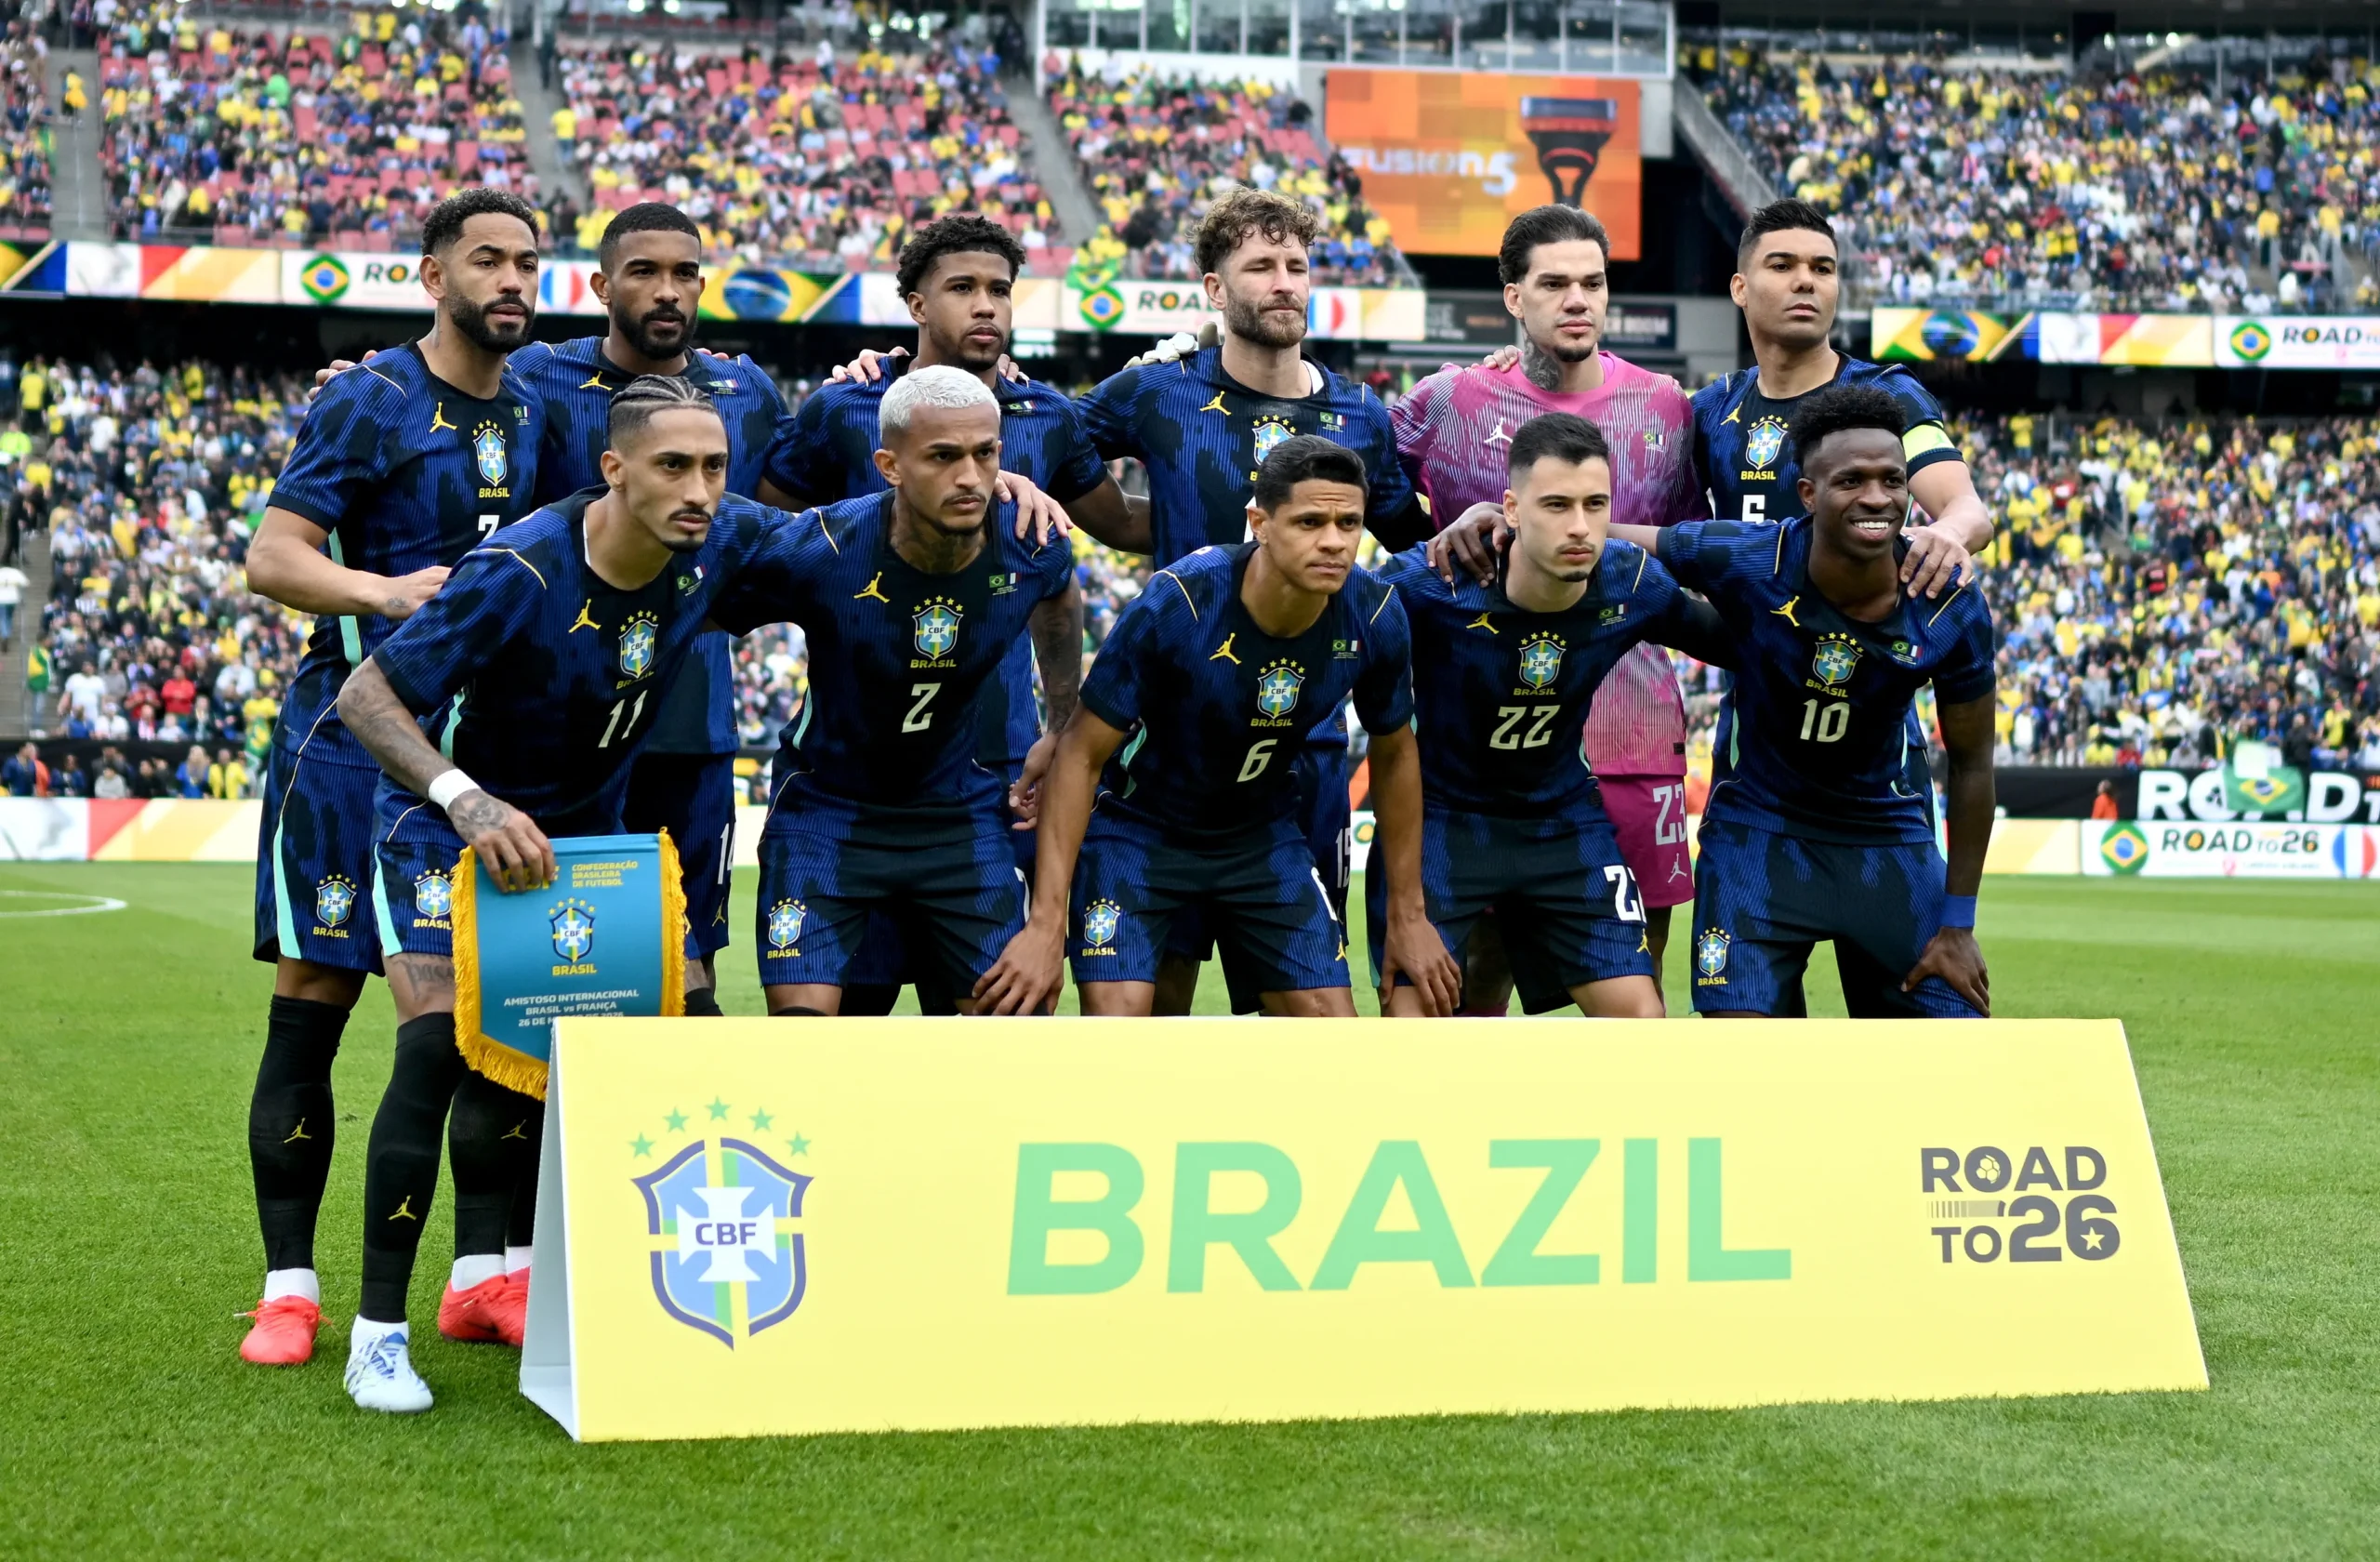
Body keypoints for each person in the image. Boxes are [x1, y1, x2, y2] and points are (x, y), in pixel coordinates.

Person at [334, 375, 814, 1411]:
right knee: (431, 1052)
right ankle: (376, 1336)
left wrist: (1004, 485)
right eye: (674, 467)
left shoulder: (719, 543)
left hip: (584, 842)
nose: (701, 490)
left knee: (588, 1062)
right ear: (614, 468)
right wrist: (468, 802)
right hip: (447, 827)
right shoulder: (520, 568)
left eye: (716, 468)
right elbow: (365, 697)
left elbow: (853, 537)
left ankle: (573, 1298)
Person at [234, 188, 545, 1372]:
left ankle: (474, 1280)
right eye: (486, 260)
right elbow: (272, 557)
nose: (511, 279)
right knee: (313, 1012)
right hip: (339, 744)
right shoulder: (370, 397)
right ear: (432, 275)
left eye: (526, 261)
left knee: (463, 1028)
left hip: (468, 752)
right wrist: (387, 593)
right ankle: (289, 1291)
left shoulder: (542, 409)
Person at [771, 214, 1144, 1014]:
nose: (986, 307)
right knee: (853, 1019)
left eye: (1000, 291)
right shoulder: (846, 408)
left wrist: (1262, 504)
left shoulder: (1047, 416)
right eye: (963, 288)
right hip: (856, 754)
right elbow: (758, 526)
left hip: (999, 764)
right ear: (914, 302)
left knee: (996, 1014)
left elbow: (1121, 530)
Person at [1075, 188, 1432, 1013]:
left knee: (1291, 1013)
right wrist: (1142, 525)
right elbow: (1036, 441)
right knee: (1154, 1003)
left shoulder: (1358, 415)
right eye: (1260, 266)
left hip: (1298, 758)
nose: (1283, 283)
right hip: (1165, 751)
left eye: (1296, 266)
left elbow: (1414, 546)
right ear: (1213, 289)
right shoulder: (1155, 392)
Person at [977, 435, 1455, 1019]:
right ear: (1260, 521)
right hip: (1140, 831)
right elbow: (1079, 756)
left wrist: (1409, 915)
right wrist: (1046, 926)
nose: (1333, 541)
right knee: (1119, 1022)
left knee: (1333, 1030)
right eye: (1309, 521)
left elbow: (1398, 755)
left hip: (1260, 836)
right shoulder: (1178, 603)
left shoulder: (1376, 614)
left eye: (1348, 522)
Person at [1393, 205, 1708, 998]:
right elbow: (1355, 491)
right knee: (1477, 984)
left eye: (1593, 284)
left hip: (1632, 730)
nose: (1578, 300)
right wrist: (1440, 534)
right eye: (1555, 283)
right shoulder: (1450, 400)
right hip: (1479, 752)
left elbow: (1694, 553)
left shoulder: (1668, 408)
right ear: (1513, 299)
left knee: (1637, 968)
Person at [1616, 385, 1996, 1019]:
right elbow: (1608, 536)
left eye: (1892, 480)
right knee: (1744, 1065)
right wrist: (1501, 519)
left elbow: (1975, 764)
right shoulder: (1748, 556)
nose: (1877, 497)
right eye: (1852, 480)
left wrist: (1957, 924)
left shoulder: (1947, 599)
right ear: (1810, 494)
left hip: (1886, 840)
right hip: (1758, 837)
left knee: (1948, 1063)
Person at [745, 365, 1083, 1019]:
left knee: (1011, 1025)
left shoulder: (1031, 544)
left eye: (985, 454)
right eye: (943, 457)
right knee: (798, 1044)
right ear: (889, 466)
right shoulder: (817, 547)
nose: (969, 476)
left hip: (955, 814)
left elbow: (1060, 605)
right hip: (826, 810)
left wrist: (1060, 721)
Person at [1374, 413, 1734, 1016]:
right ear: (1510, 509)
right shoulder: (1427, 584)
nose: (1580, 527)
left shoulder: (1630, 580)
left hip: (1562, 823)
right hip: (1444, 824)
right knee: (1413, 1024)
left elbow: (1745, 641)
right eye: (1556, 505)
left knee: (1642, 1018)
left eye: (1596, 505)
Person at [0, 558, 25, 651]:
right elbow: (25, 582)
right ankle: (7, 633)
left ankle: (5, 634)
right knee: (9, 616)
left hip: (1, 599)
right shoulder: (15, 572)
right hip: (13, 599)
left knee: (3, 617)